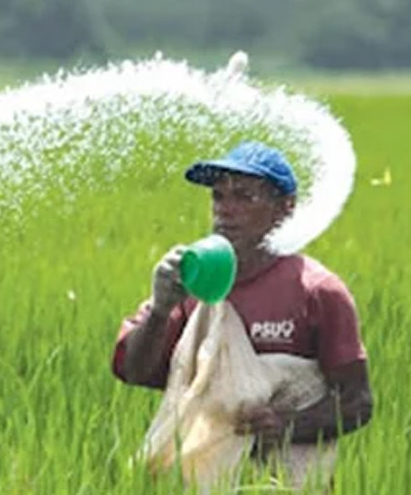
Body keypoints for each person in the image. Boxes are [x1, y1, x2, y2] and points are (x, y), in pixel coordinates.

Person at [112, 141, 373, 468]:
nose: (225, 209)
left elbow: (357, 402)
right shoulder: (192, 282)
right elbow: (136, 372)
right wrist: (161, 310)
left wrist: (286, 425)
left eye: (244, 197)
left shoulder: (317, 291)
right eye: (218, 196)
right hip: (201, 478)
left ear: (285, 209)